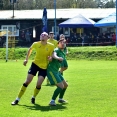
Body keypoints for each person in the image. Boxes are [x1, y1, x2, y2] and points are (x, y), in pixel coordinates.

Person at [11, 32, 54, 105]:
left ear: (47, 38)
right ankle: (17, 99)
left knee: (38, 84)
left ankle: (33, 97)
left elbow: (52, 56)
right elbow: (30, 50)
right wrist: (26, 59)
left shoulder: (51, 46)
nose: (42, 36)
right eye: (41, 35)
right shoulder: (36, 44)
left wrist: (50, 58)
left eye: (44, 35)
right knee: (27, 81)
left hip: (44, 67)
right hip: (35, 64)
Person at [47, 38, 68, 106]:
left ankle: (60, 99)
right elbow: (54, 54)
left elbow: (64, 65)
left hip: (56, 71)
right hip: (51, 70)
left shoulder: (63, 52)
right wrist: (58, 58)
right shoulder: (56, 50)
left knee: (65, 85)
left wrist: (62, 69)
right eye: (61, 42)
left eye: (64, 42)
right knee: (61, 86)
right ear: (58, 44)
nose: (63, 43)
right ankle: (52, 101)